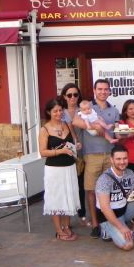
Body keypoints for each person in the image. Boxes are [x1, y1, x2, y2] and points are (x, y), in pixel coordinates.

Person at [72, 78, 121, 239]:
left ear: (109, 91)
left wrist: (126, 133)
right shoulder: (86, 107)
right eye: (100, 89)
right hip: (91, 155)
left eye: (106, 89)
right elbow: (75, 121)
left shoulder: (114, 110)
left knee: (109, 190)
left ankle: (109, 221)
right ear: (94, 90)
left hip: (110, 155)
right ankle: (95, 224)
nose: (103, 92)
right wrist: (97, 127)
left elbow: (117, 132)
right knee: (91, 190)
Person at [95, 145, 134, 250]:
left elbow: (128, 195)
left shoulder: (130, 173)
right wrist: (121, 227)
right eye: (118, 159)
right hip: (108, 216)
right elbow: (105, 208)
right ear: (112, 160)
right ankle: (107, 228)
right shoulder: (104, 179)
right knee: (128, 245)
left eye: (125, 158)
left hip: (123, 211)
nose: (122, 162)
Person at [39, 99, 81, 241]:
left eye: (60, 110)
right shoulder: (44, 130)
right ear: (49, 112)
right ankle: (58, 230)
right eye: (55, 111)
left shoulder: (67, 125)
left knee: (68, 196)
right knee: (56, 198)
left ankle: (66, 226)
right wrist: (61, 151)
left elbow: (74, 142)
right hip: (54, 169)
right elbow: (43, 152)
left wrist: (76, 146)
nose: (58, 113)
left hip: (69, 167)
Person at [59, 82, 86, 226]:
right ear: (64, 96)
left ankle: (82, 214)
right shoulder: (60, 112)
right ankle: (67, 218)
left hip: (83, 151)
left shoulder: (83, 110)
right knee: (67, 185)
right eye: (69, 95)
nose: (72, 97)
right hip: (66, 152)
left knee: (81, 185)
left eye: (75, 94)